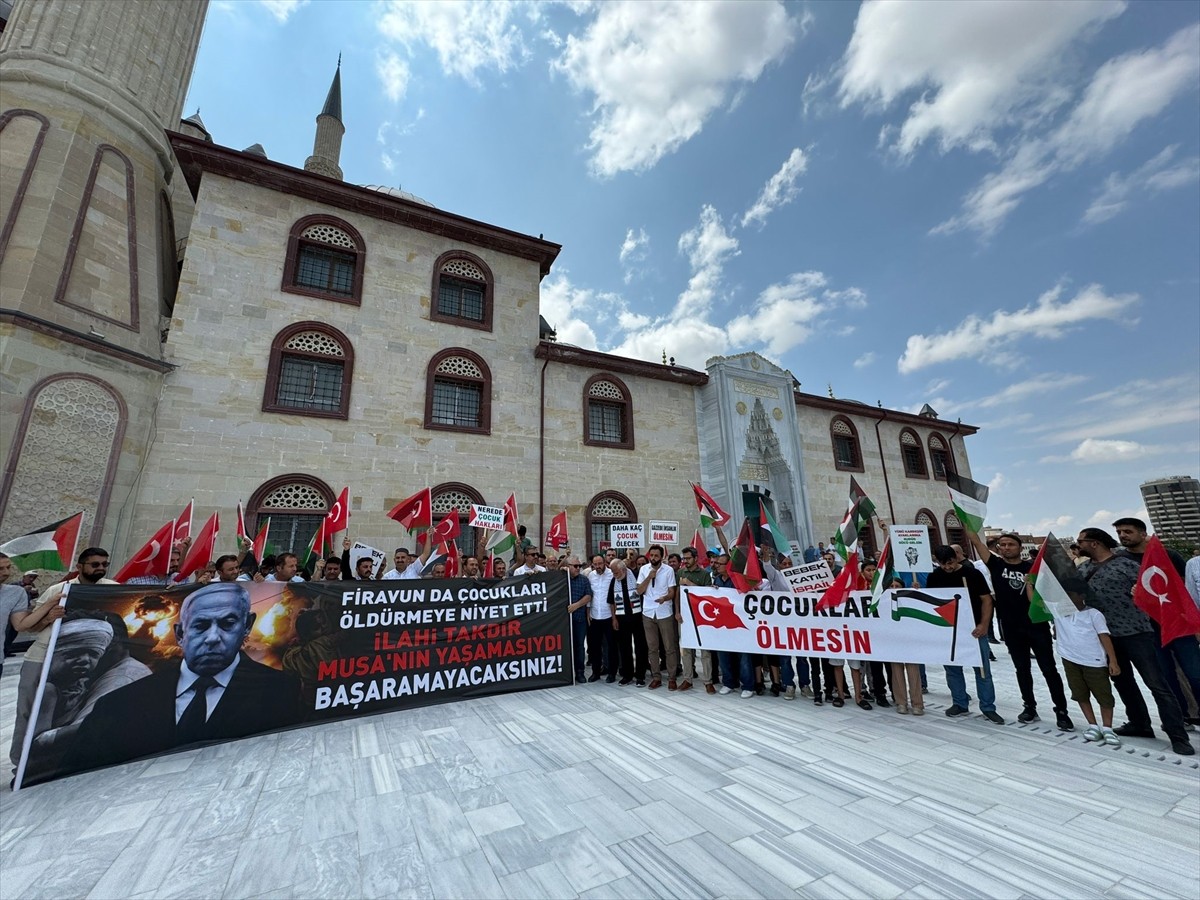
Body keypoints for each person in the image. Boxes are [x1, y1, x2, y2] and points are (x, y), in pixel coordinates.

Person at [67, 582, 304, 772]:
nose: (213, 637)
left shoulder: (280, 690)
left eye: (227, 624)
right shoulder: (119, 704)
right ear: (180, 633)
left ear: (247, 625)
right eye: (200, 626)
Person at [1075, 528, 1193, 755]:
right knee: (1122, 681)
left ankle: (1177, 734)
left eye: (1081, 541)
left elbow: (1156, 592)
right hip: (1105, 636)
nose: (1078, 545)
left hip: (1137, 633)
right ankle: (1139, 723)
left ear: (1094, 543)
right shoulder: (1083, 569)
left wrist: (1140, 591)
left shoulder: (1127, 565)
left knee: (1157, 684)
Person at [9, 547, 118, 769]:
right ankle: (21, 763)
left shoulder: (113, 589)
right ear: (80, 566)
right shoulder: (58, 590)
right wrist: (49, 617)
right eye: (95, 564)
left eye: (104, 564)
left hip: (82, 661)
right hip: (43, 655)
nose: (100, 568)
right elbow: (32, 627)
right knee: (28, 708)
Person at [966, 527, 1072, 730]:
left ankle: (1061, 711)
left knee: (1049, 669)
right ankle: (1029, 706)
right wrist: (965, 520)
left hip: (1036, 626)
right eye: (1003, 545)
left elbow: (1049, 597)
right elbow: (977, 543)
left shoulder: (1033, 568)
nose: (1006, 548)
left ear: (1020, 547)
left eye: (1011, 544)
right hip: (1011, 627)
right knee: (1022, 669)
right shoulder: (996, 565)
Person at [1111, 517, 1199, 725]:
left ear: (1143, 534)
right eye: (1119, 532)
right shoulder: (1119, 561)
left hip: (1178, 623)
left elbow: (1184, 587)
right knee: (1165, 676)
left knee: (1195, 672)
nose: (1123, 536)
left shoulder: (1168, 555)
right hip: (1147, 628)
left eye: (1128, 531)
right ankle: (1180, 717)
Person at [927, 544, 1004, 725]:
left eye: (950, 563)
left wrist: (984, 624)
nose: (948, 567)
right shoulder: (934, 577)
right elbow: (932, 602)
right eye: (943, 564)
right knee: (952, 670)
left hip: (974, 630)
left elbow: (986, 600)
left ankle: (988, 707)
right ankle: (960, 703)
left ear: (956, 558)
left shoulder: (972, 574)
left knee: (982, 670)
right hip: (949, 630)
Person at [1051, 584, 1122, 746]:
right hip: (1070, 659)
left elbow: (1104, 637)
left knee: (1103, 695)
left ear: (1082, 596)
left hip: (1093, 661)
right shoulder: (1058, 613)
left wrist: (1113, 660)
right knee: (1080, 693)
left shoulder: (1094, 614)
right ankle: (1092, 725)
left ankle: (1107, 728)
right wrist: (1030, 583)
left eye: (1071, 594)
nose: (1067, 599)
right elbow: (1034, 601)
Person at [637, 545, 678, 690]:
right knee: (652, 647)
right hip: (648, 612)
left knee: (669, 647)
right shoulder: (644, 569)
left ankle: (672, 678)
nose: (653, 558)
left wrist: (664, 598)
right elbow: (639, 591)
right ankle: (656, 677)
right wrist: (649, 577)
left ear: (661, 557)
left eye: (656, 555)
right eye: (652, 555)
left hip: (664, 612)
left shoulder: (668, 570)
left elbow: (672, 592)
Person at [676, 546, 714, 692]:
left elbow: (707, 595)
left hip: (701, 617)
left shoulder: (705, 574)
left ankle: (708, 681)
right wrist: (677, 611)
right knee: (686, 649)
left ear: (696, 558)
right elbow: (677, 594)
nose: (685, 561)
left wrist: (690, 584)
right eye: (684, 558)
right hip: (685, 617)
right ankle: (687, 679)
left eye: (688, 558)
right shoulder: (680, 572)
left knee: (705, 650)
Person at [608, 559, 646, 686]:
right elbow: (611, 601)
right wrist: (614, 618)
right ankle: (627, 675)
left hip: (638, 617)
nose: (614, 575)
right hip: (622, 618)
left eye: (616, 572)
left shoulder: (636, 576)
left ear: (623, 570)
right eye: (613, 573)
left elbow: (643, 593)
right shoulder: (614, 581)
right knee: (625, 648)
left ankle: (640, 675)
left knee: (640, 647)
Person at [585, 554, 616, 682]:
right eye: (595, 564)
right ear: (592, 565)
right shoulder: (590, 576)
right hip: (594, 616)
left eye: (600, 564)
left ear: (605, 563)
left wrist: (615, 617)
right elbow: (589, 595)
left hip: (609, 616)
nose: (598, 566)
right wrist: (588, 613)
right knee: (595, 647)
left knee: (611, 646)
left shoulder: (612, 575)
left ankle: (612, 673)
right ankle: (596, 672)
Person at [0, 553, 31, 678]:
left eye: (8, 567)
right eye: (0, 569)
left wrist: (48, 607)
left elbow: (20, 625)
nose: (6, 573)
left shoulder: (15, 592)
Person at [563, 557, 591, 683]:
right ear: (568, 566)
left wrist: (576, 605)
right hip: (563, 621)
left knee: (579, 646)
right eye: (575, 566)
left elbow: (588, 595)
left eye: (579, 566)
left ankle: (580, 672)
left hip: (579, 619)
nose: (578, 568)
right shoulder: (561, 578)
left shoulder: (584, 579)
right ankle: (566, 672)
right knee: (565, 646)